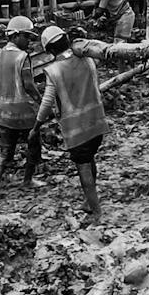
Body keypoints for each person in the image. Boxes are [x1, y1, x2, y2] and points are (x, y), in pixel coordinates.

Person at [36, 24, 108, 222]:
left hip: (76, 129)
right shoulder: (88, 59)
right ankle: (89, 201)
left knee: (83, 168)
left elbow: (47, 101)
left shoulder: (54, 71)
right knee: (90, 159)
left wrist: (37, 125)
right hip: (97, 121)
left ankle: (96, 212)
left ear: (49, 50)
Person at [0, 15, 42, 195]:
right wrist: (42, 103)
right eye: (26, 37)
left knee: (4, 149)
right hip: (22, 111)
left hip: (2, 110)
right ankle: (28, 180)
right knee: (33, 144)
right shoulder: (22, 57)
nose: (29, 41)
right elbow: (29, 85)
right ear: (16, 36)